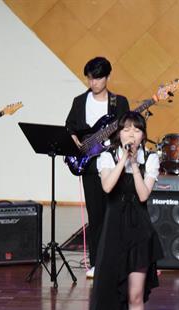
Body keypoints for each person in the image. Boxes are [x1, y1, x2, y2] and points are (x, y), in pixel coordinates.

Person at [71, 111, 162, 310]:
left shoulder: (151, 158)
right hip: (112, 232)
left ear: (143, 135)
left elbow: (143, 195)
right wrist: (123, 159)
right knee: (102, 291)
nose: (131, 134)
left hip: (139, 232)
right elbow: (108, 187)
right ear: (118, 134)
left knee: (135, 295)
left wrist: (135, 165)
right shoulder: (107, 157)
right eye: (126, 129)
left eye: (136, 130)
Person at [65, 57, 130, 278]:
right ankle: (96, 263)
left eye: (98, 78)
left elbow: (126, 128)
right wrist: (75, 142)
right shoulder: (79, 101)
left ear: (108, 77)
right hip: (90, 164)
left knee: (117, 213)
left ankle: (118, 262)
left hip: (113, 162)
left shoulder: (119, 103)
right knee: (96, 215)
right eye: (90, 79)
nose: (93, 83)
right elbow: (69, 127)